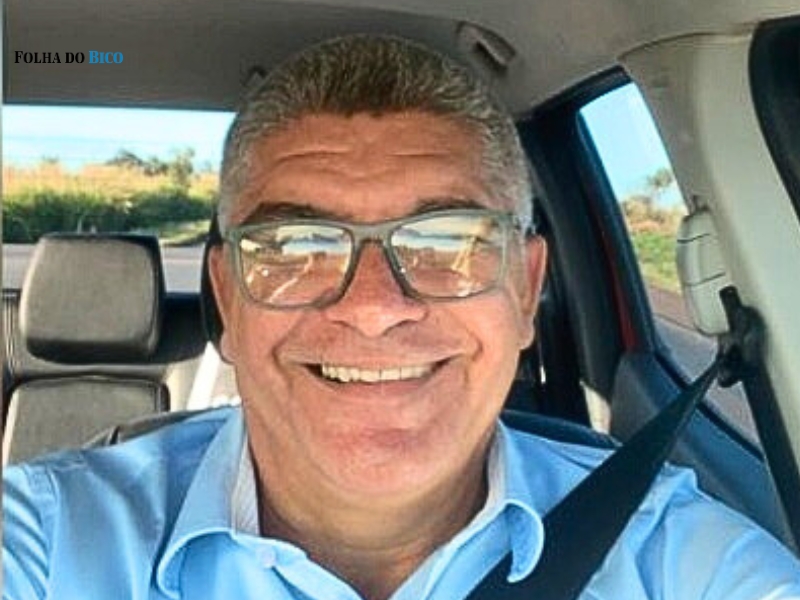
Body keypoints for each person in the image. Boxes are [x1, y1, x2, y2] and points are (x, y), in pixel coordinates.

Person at [3, 34, 799, 600]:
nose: (375, 309)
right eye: (297, 247)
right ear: (229, 301)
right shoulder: (48, 539)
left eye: (448, 242)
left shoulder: (674, 555)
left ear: (525, 290)